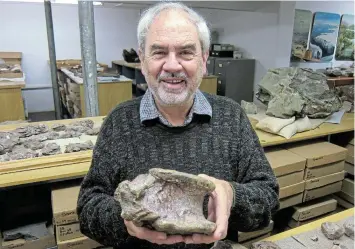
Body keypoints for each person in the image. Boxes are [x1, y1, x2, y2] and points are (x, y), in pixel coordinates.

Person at [77, 2, 279, 249]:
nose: (172, 66)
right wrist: (125, 219)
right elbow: (88, 208)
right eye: (159, 52)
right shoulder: (120, 121)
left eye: (186, 52)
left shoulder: (231, 116)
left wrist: (232, 196)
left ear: (204, 60)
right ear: (142, 60)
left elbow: (268, 199)